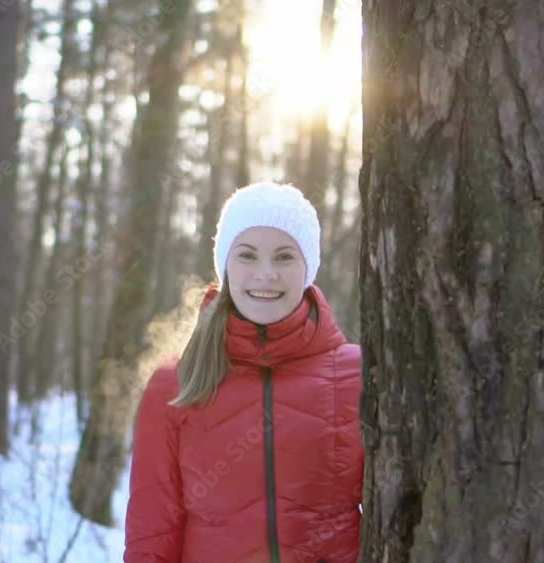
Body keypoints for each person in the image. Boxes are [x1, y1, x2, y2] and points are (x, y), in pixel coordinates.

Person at [124, 182, 364, 563]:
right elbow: (152, 535)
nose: (265, 274)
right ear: (225, 266)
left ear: (308, 269)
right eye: (247, 255)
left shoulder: (358, 375)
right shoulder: (175, 384)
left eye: (284, 257)